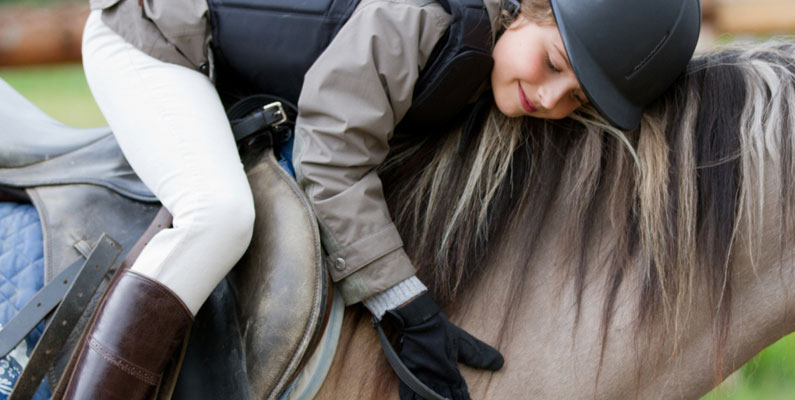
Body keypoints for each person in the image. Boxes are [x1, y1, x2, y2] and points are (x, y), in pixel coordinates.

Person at [70, 0, 701, 398]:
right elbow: (329, 155)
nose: (552, 99)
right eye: (556, 63)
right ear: (530, 7)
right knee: (219, 215)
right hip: (148, 37)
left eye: (578, 102)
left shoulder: (488, 46)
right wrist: (407, 307)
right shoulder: (421, 15)